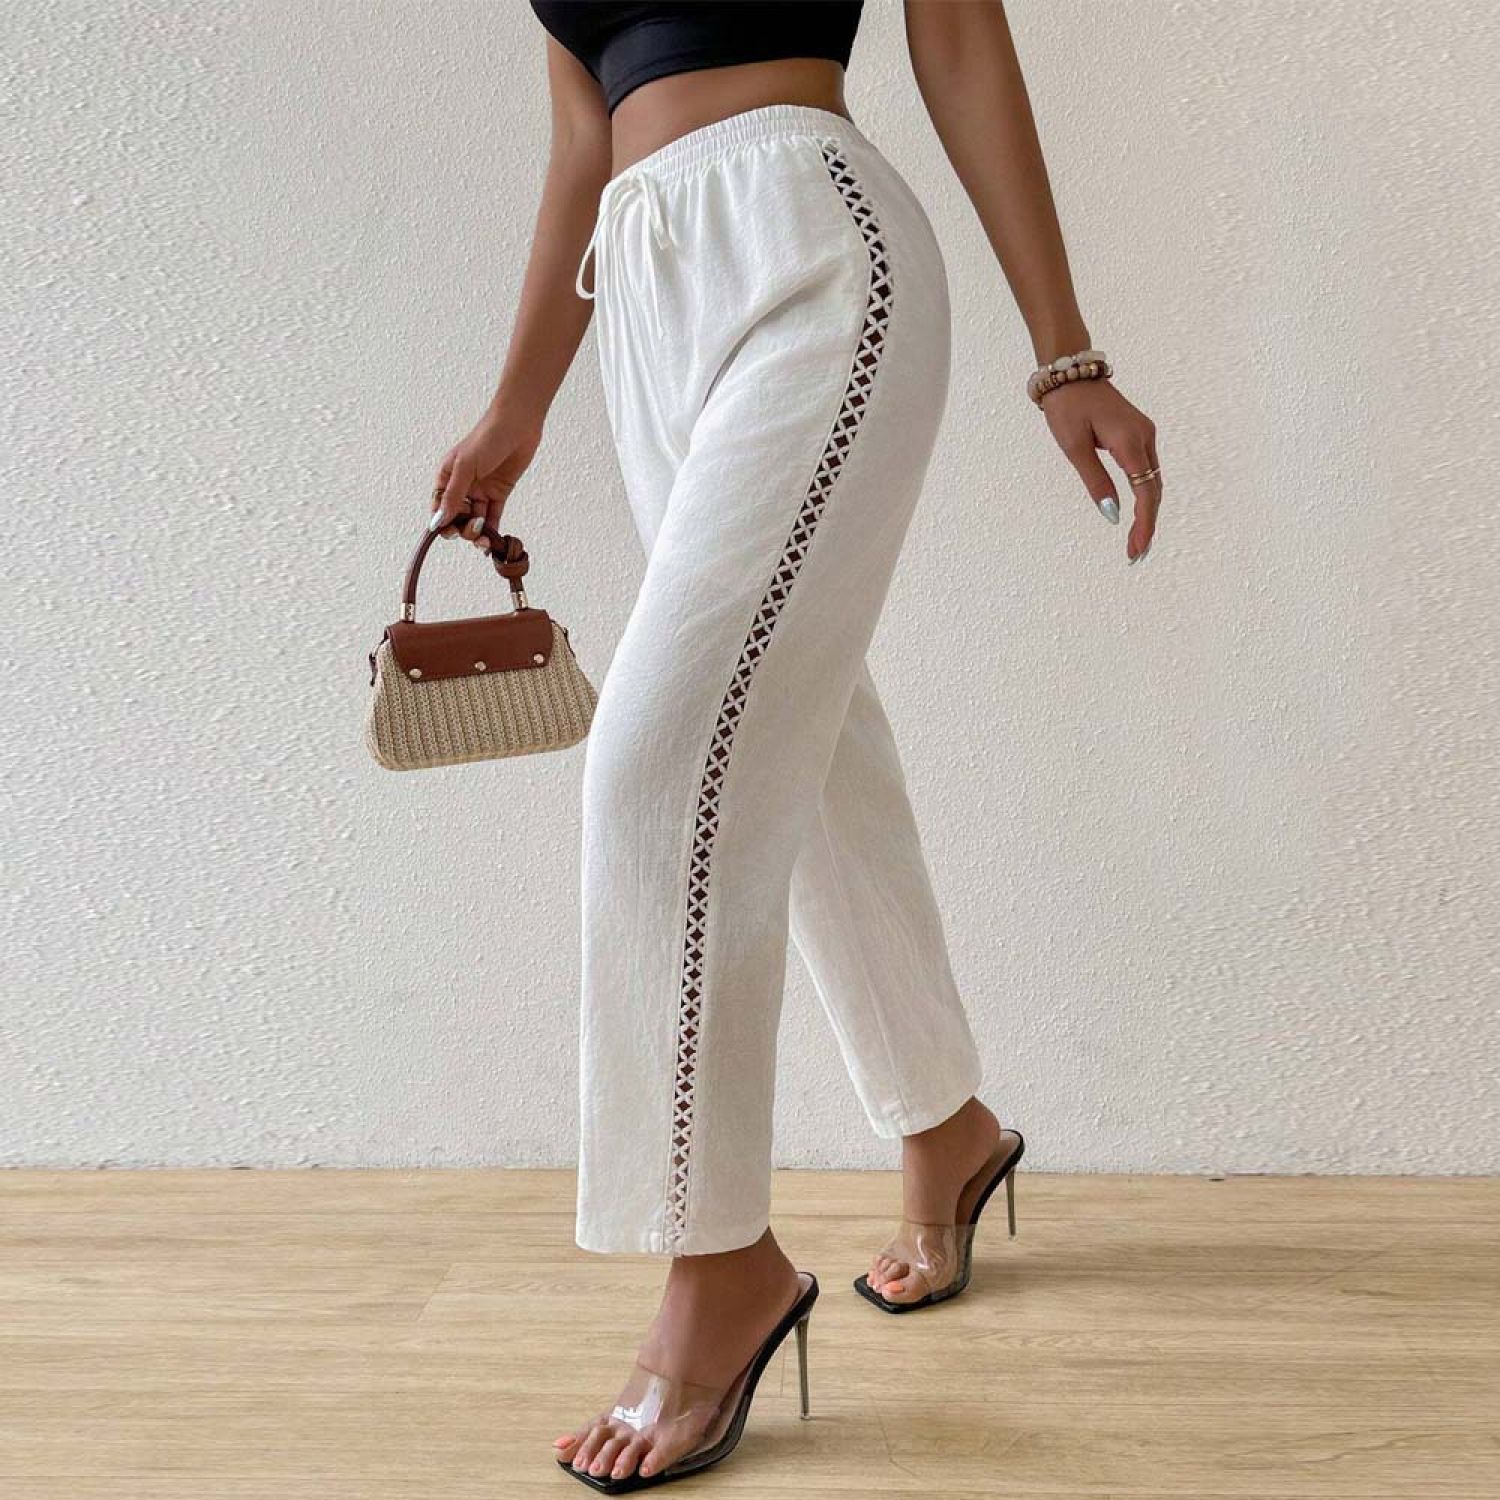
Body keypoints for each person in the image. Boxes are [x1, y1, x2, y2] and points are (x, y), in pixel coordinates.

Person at [426, 3, 1161, 1490]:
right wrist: (517, 408)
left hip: (817, 246)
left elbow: (960, 40)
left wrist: (1064, 353)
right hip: (643, 290)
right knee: (790, 736)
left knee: (659, 763)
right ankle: (946, 1126)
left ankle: (718, 1265)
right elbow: (582, 143)